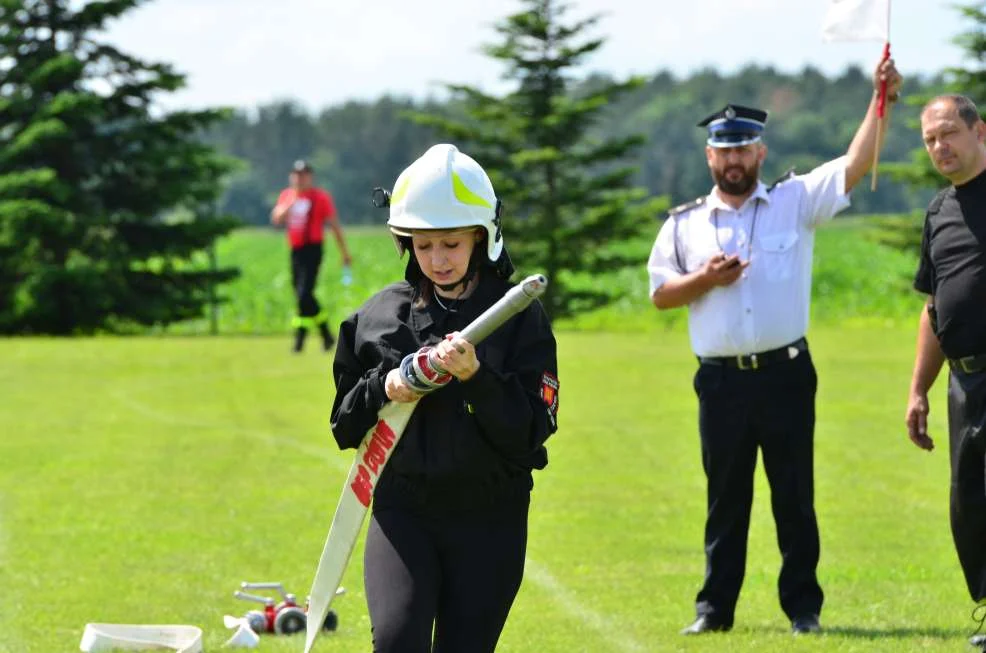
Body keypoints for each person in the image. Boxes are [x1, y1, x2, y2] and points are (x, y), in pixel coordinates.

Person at [646, 57, 903, 636]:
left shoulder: (794, 200)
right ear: (709, 156)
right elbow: (662, 294)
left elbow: (856, 163)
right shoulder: (684, 225)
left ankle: (803, 610)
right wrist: (705, 280)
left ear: (761, 153)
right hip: (721, 380)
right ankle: (714, 611)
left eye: (744, 148)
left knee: (795, 496)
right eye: (723, 149)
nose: (734, 158)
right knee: (725, 500)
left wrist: (879, 100)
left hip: (786, 373)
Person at [329, 143, 559, 652]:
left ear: (483, 238)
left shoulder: (517, 318)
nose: (437, 260)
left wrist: (476, 378)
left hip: (490, 516)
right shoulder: (378, 318)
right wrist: (384, 387)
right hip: (403, 510)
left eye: (451, 244)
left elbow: (530, 435)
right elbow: (343, 425)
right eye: (424, 244)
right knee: (396, 640)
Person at [905, 94, 986, 652]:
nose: (940, 146)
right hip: (962, 383)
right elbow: (933, 306)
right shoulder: (939, 210)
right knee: (968, 506)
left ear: (980, 131)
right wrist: (918, 389)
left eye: (949, 133)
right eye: (931, 139)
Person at [271, 159, 353, 353]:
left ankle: (307, 339)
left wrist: (345, 253)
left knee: (304, 294)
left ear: (310, 177)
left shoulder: (320, 197)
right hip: (296, 251)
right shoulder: (287, 196)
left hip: (313, 250)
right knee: (301, 297)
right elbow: (276, 219)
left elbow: (334, 225)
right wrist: (291, 202)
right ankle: (321, 337)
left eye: (304, 174)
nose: (300, 178)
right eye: (297, 174)